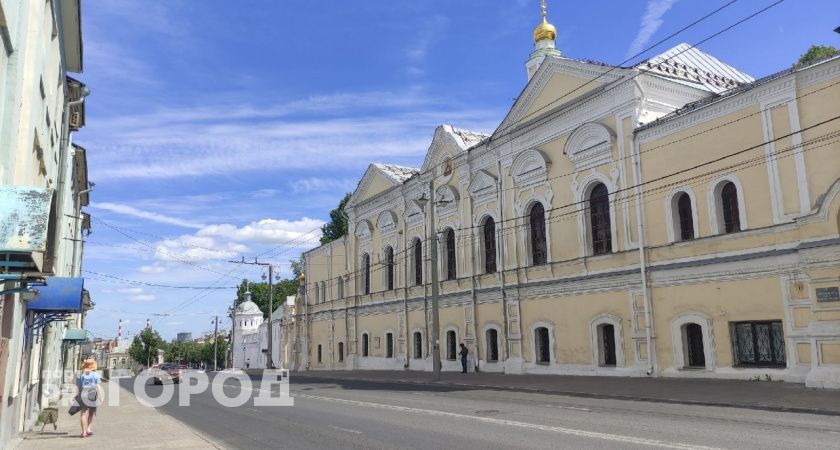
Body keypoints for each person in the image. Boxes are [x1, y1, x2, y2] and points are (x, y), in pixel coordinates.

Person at [76, 358, 103, 438]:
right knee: (91, 413)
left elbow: (78, 387)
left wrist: (78, 394)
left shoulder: (80, 375)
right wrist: (100, 396)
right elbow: (98, 386)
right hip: (92, 393)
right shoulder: (96, 375)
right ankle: (88, 428)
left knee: (83, 414)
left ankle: (84, 432)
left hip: (83, 393)